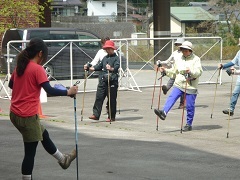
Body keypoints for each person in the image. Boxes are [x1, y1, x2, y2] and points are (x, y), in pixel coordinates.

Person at [8, 38, 79, 180]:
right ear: (40, 53)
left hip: (15, 113)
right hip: (27, 116)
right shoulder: (37, 69)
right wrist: (68, 92)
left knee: (43, 134)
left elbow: (11, 85)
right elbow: (49, 90)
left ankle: (63, 160)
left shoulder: (20, 66)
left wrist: (26, 89)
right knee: (30, 153)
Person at [154, 41, 203, 131]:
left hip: (191, 86)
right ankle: (164, 112)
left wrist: (191, 72)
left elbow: (199, 72)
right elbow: (174, 72)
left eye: (186, 50)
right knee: (171, 97)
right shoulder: (179, 59)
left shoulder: (196, 59)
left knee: (190, 106)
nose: (184, 51)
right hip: (179, 84)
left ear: (190, 50)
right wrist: (165, 71)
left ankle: (189, 124)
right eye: (182, 49)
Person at [84, 40, 120, 122]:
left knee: (111, 99)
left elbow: (116, 68)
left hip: (112, 81)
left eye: (109, 48)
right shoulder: (105, 58)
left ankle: (111, 116)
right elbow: (98, 67)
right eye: (106, 49)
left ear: (112, 49)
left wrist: (110, 68)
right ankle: (96, 115)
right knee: (99, 97)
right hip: (103, 80)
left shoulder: (116, 58)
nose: (107, 50)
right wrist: (89, 68)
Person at [156, 38, 185, 109]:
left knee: (181, 88)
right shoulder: (175, 53)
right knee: (172, 79)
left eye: (180, 44)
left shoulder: (185, 53)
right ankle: (166, 89)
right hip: (175, 70)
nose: (179, 46)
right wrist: (161, 62)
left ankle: (182, 103)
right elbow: (168, 61)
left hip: (182, 72)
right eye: (177, 44)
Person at [219, 44, 240, 116]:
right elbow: (233, 62)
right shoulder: (239, 52)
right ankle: (231, 109)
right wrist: (223, 66)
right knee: (235, 93)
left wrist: (235, 72)